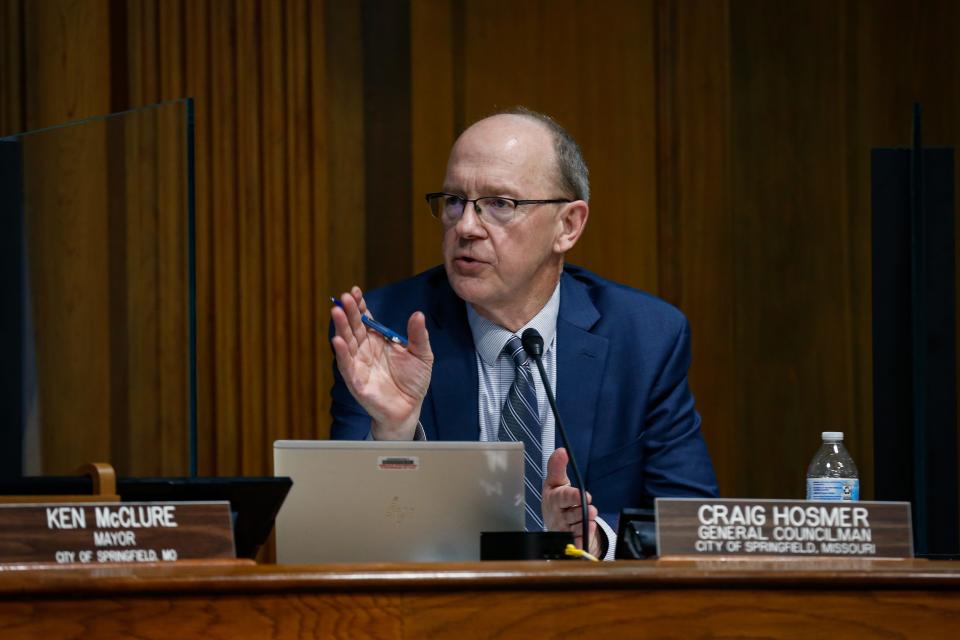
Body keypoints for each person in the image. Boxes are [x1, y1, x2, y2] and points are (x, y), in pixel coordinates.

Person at [330, 107, 718, 558]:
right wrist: (393, 433)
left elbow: (694, 524)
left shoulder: (645, 337)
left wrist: (593, 540)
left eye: (500, 204)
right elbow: (344, 537)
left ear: (568, 226)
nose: (466, 226)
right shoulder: (387, 325)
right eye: (454, 200)